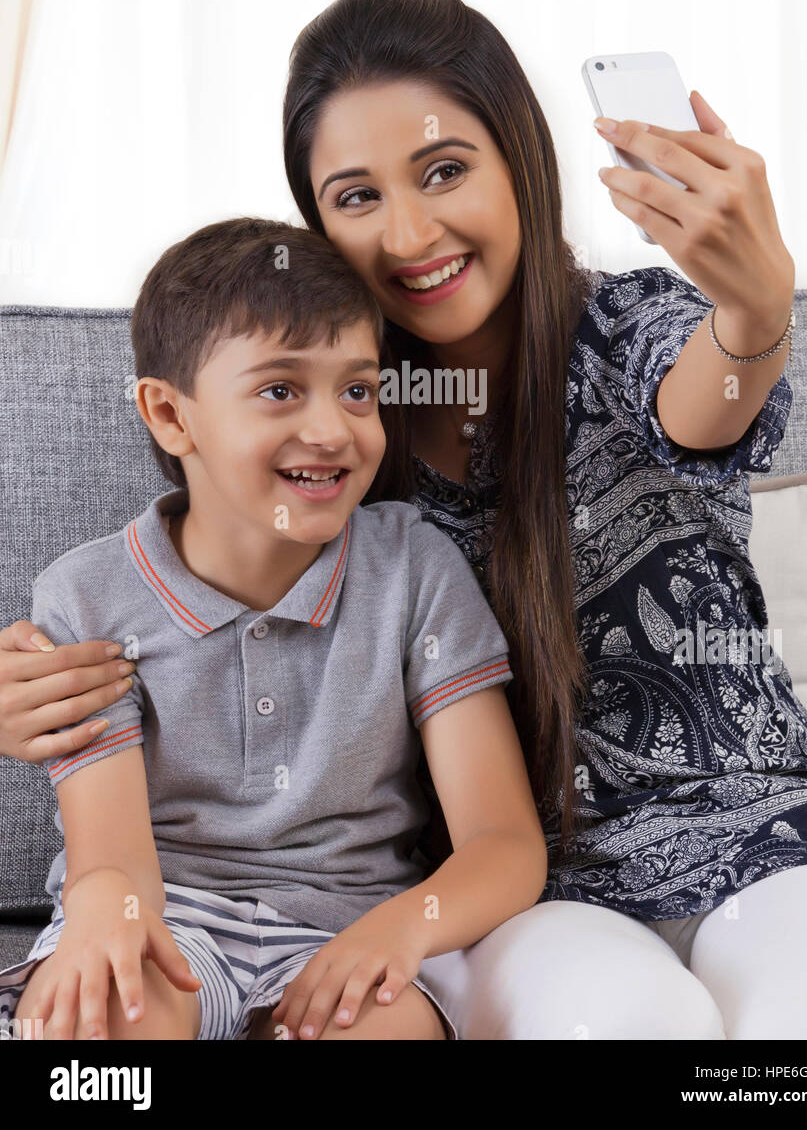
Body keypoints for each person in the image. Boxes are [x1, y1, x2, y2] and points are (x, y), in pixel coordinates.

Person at [3, 0, 807, 1038]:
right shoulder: (335, 451)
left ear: (520, 163)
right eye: (355, 197)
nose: (409, 231)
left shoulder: (631, 331)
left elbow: (708, 404)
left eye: (444, 170)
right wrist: (48, 692)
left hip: (764, 835)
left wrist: (752, 308)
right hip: (533, 896)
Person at [0, 218, 548, 1041]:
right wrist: (103, 921)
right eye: (281, 389)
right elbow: (112, 856)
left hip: (351, 929)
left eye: (357, 391)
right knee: (103, 1015)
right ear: (170, 415)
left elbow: (503, 842)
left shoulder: (413, 568)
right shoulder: (88, 595)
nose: (332, 430)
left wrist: (403, 927)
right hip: (162, 915)